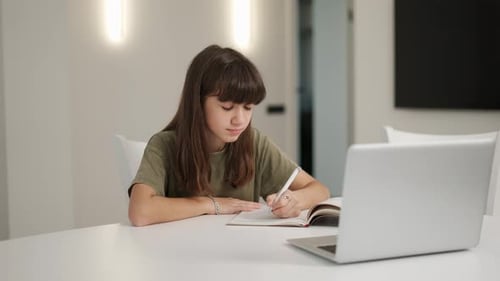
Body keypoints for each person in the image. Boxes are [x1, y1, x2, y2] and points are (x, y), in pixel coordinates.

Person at [128, 44, 330, 226]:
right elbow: (140, 211)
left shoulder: (253, 142)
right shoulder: (164, 145)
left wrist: (294, 201)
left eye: (248, 107)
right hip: (180, 259)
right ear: (198, 103)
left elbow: (319, 190)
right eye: (227, 107)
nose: (240, 120)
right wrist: (210, 204)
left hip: (239, 257)